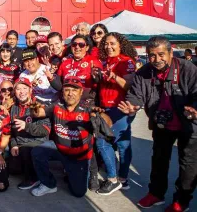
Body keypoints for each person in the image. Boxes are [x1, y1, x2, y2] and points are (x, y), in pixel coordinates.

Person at [120, 36, 197, 212]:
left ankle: (182, 200)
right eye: (151, 56)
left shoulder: (188, 69)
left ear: (171, 53)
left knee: (188, 164)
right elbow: (135, 94)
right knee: (159, 160)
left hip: (189, 123)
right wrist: (132, 105)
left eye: (161, 54)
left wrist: (194, 108)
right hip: (162, 124)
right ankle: (156, 194)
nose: (156, 60)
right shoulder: (144, 72)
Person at [16, 78, 106, 198]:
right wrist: (34, 107)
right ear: (62, 92)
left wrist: (101, 116)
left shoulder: (88, 109)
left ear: (81, 92)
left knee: (78, 193)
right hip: (59, 149)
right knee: (37, 151)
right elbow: (37, 113)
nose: (70, 93)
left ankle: (78, 172)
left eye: (74, 90)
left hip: (78, 158)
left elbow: (108, 123)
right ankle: (49, 184)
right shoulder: (57, 106)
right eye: (67, 90)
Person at [93, 32, 137, 195]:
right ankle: (123, 179)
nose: (108, 46)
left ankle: (113, 179)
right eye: (106, 43)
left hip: (120, 108)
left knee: (103, 142)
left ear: (120, 45)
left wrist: (115, 77)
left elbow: (130, 87)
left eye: (112, 43)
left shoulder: (126, 61)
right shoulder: (106, 62)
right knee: (123, 144)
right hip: (106, 108)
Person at [9, 78, 50, 190]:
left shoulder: (38, 106)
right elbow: (12, 131)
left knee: (26, 150)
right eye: (18, 89)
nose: (21, 91)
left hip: (37, 143)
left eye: (24, 88)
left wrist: (27, 126)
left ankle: (33, 178)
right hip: (20, 144)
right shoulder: (14, 107)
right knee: (12, 169)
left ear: (30, 90)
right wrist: (14, 144)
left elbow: (45, 130)